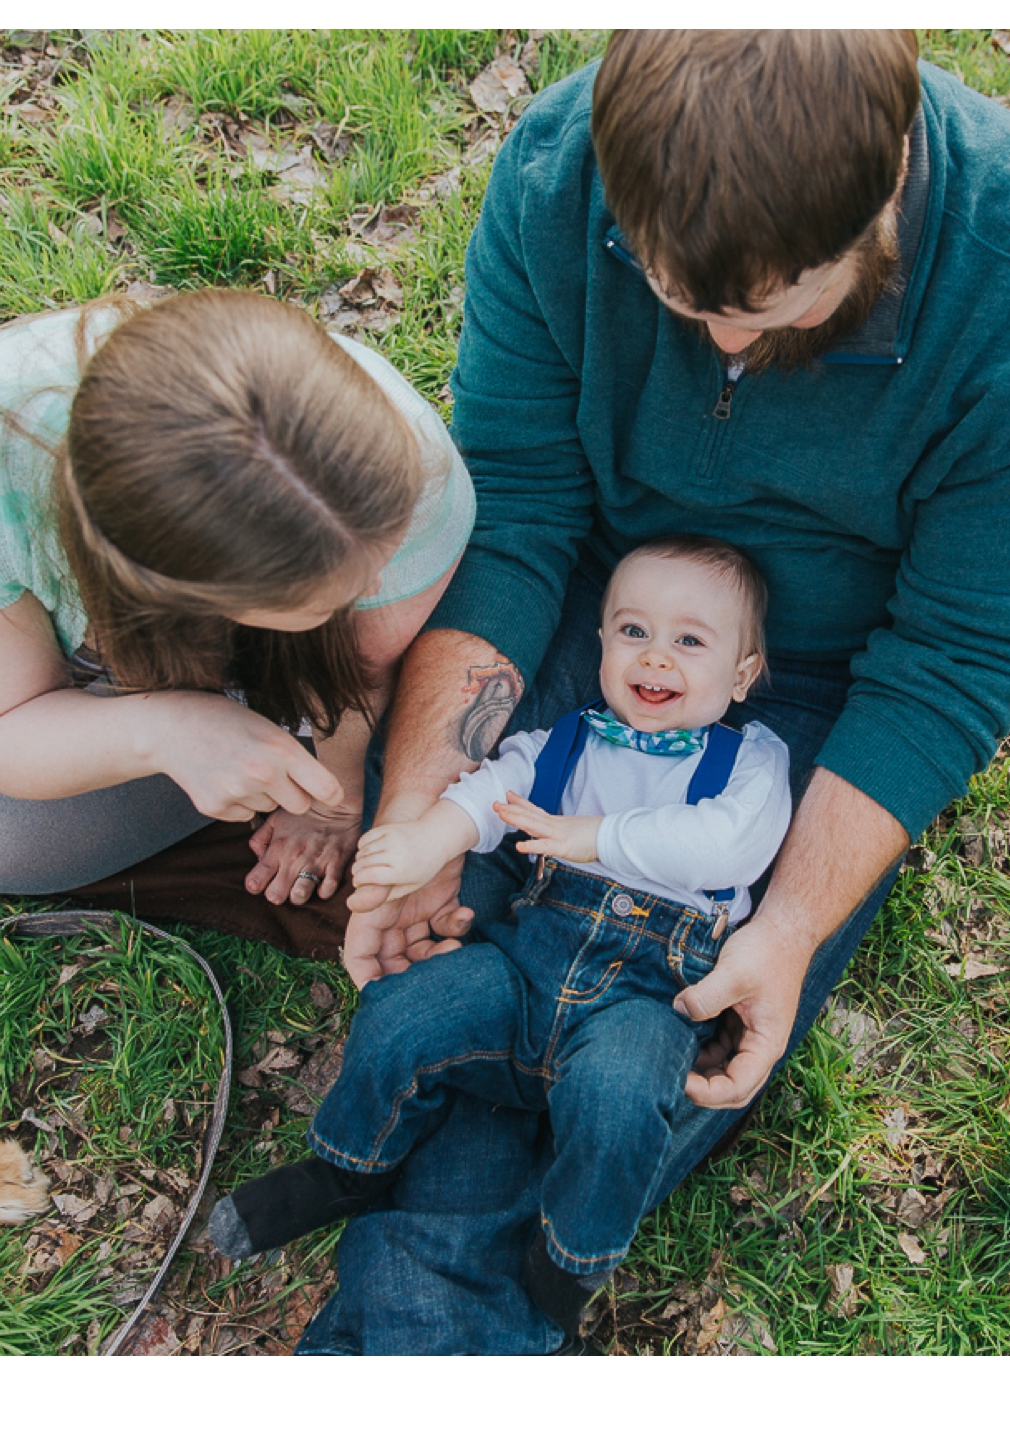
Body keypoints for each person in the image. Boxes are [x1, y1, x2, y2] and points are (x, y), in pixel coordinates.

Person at [306, 28, 1010, 1354]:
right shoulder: (558, 169)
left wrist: (796, 920)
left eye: (766, 303)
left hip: (827, 675)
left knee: (651, 1035)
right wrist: (415, 802)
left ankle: (427, 1331)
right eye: (668, 286)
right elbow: (519, 507)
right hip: (597, 596)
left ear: (881, 199)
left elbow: (951, 660)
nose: (713, 334)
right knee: (445, 938)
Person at [211, 537, 789, 1335]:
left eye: (690, 640)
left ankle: (568, 1260)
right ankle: (347, 1163)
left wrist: (591, 838)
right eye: (633, 630)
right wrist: (425, 840)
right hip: (523, 973)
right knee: (403, 1010)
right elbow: (492, 789)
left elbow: (730, 845)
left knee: (623, 1102)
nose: (656, 657)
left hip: (644, 999)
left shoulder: (747, 760)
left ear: (743, 674)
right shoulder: (571, 739)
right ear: (601, 643)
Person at [0, 289, 473, 903]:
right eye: (333, 590)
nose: (376, 588)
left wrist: (325, 795)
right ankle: (71, 654)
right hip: (57, 568)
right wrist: (164, 733)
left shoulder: (408, 465)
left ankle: (200, 692)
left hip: (239, 658)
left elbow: (362, 668)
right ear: (172, 590)